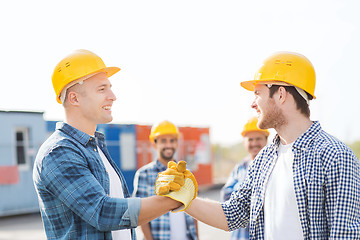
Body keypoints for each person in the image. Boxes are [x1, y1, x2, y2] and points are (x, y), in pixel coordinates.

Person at [156, 52, 360, 239]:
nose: (252, 103)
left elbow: (345, 235)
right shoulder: (265, 159)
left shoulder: (335, 156)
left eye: (257, 93)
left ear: (280, 94)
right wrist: (184, 198)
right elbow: (232, 215)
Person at [33, 49, 183, 240]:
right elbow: (102, 212)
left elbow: (123, 222)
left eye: (110, 87)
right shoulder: (58, 152)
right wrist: (173, 200)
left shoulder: (96, 148)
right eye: (102, 89)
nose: (113, 96)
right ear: (74, 98)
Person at [133, 120, 198, 240]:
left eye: (172, 140)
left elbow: (194, 210)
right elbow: (140, 214)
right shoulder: (144, 174)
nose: (168, 145)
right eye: (163, 141)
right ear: (154, 144)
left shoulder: (186, 173)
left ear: (177, 143)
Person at [220, 117, 268, 240]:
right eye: (250, 139)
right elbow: (225, 197)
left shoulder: (274, 165)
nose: (254, 143)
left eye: (258, 139)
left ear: (266, 140)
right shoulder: (239, 168)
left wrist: (243, 198)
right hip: (241, 236)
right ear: (244, 142)